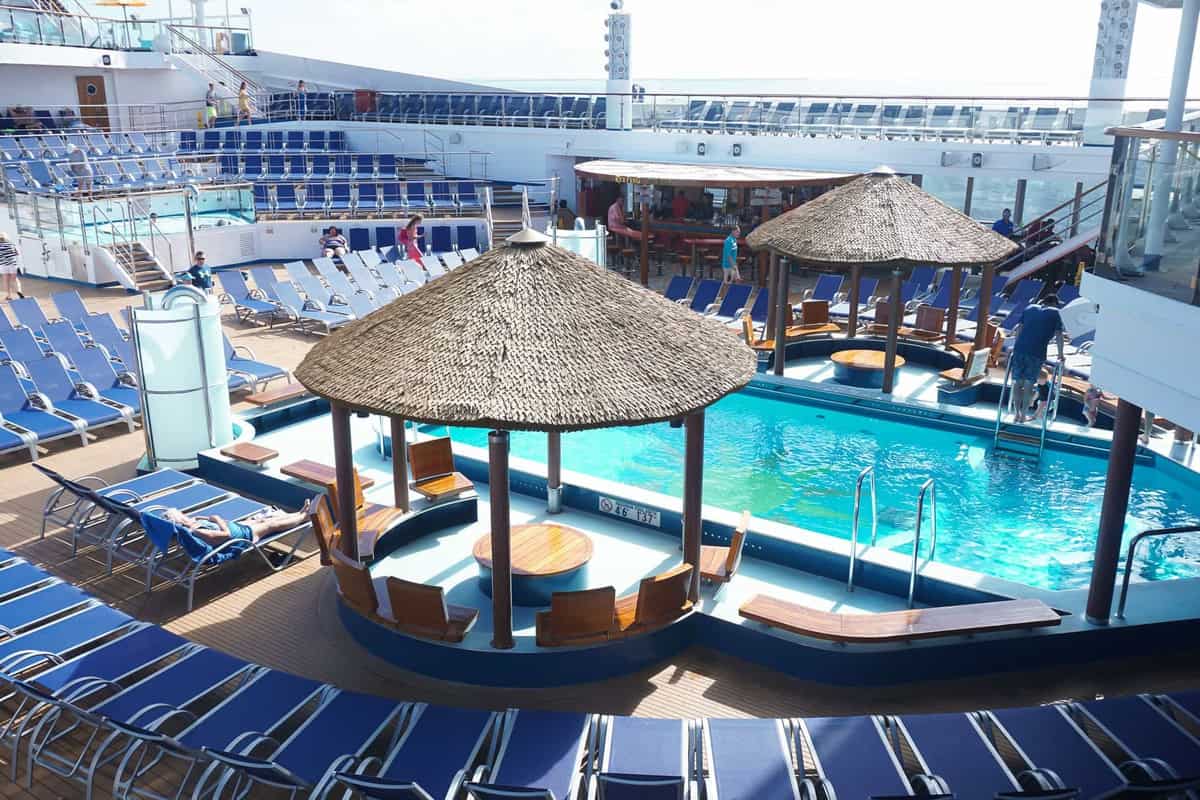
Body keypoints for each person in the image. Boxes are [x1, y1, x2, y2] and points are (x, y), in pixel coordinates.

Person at [164, 500, 311, 548]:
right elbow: (225, 534)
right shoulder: (197, 531)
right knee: (271, 524)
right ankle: (304, 516)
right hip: (242, 537)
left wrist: (203, 519)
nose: (185, 515)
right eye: (182, 515)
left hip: (238, 528)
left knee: (264, 519)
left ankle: (298, 513)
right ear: (180, 521)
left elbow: (206, 521)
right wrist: (217, 519)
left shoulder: (192, 524)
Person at [1009, 297, 1065, 423]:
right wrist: (1060, 354)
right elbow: (1059, 335)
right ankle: (1023, 415)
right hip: (1036, 352)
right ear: (1055, 303)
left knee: (1017, 383)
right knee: (1029, 384)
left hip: (1019, 350)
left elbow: (1019, 328)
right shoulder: (1055, 312)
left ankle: (1016, 413)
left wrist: (1016, 346)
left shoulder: (1029, 308)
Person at [0, 232, 23, 300]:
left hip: (3, 265)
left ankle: (9, 295)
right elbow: (17, 253)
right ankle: (19, 291)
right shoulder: (11, 244)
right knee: (15, 280)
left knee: (6, 281)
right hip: (13, 264)